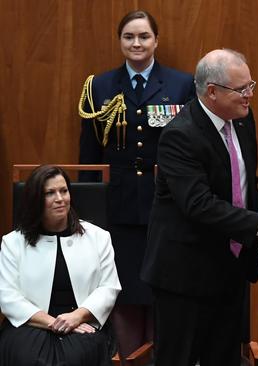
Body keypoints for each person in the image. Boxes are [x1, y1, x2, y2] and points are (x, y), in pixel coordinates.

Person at [140, 48, 258, 366]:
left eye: (251, 86)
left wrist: (256, 244)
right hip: (185, 277)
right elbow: (199, 204)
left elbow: (250, 185)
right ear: (212, 92)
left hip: (232, 269)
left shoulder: (243, 120)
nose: (249, 95)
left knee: (224, 359)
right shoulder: (179, 135)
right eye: (242, 89)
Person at [77, 9, 195, 357]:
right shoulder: (99, 86)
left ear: (156, 40)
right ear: (120, 42)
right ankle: (128, 359)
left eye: (144, 36)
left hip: (166, 206)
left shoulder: (181, 84)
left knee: (163, 289)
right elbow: (90, 155)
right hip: (119, 207)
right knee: (123, 290)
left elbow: (190, 149)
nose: (137, 43)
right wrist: (88, 209)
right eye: (129, 36)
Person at [0, 165, 121, 366]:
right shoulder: (13, 243)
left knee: (77, 357)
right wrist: (55, 323)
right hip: (30, 323)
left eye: (64, 191)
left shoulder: (99, 237)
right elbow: (8, 296)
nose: (60, 198)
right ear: (35, 200)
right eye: (50, 193)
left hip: (83, 320)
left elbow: (109, 288)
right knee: (27, 357)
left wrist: (76, 317)